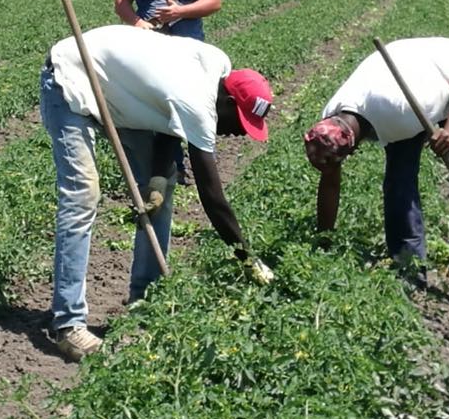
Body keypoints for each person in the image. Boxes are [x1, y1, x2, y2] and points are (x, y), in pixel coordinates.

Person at [41, 24, 274, 361]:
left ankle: (145, 300)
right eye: (238, 122)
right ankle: (68, 325)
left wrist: (157, 181)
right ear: (226, 100)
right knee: (82, 196)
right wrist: (248, 259)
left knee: (162, 192)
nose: (238, 133)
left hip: (121, 96)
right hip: (73, 78)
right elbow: (213, 198)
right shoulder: (197, 102)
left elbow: (168, 122)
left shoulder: (218, 66)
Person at [303, 37, 449, 313]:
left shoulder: (399, 110)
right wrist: (323, 239)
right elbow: (330, 181)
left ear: (353, 148)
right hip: (404, 80)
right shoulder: (331, 117)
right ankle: (410, 270)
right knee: (398, 183)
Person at [115, 0, 222, 185]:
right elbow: (121, 2)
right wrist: (138, 23)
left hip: (188, 49)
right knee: (158, 106)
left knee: (193, 104)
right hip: (149, 49)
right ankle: (171, 166)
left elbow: (214, 1)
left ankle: (203, 161)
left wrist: (180, 12)